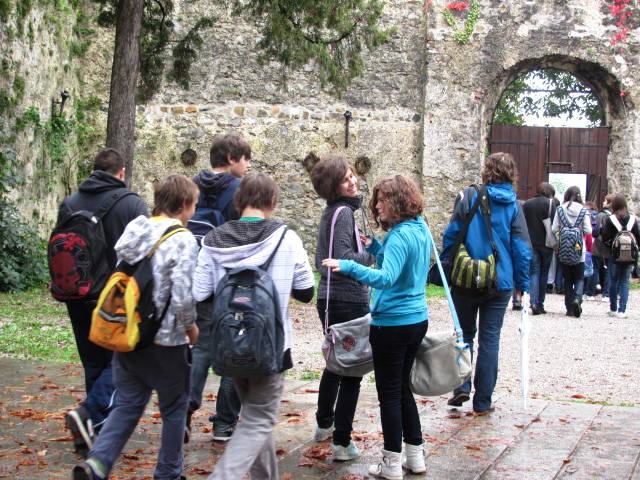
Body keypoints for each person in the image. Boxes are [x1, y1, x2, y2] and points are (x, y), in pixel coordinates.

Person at [72, 174, 200, 480]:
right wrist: (191, 329)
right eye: (194, 204)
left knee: (127, 405)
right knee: (174, 409)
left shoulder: (136, 228)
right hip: (166, 341)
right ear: (184, 204)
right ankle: (168, 472)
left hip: (128, 332)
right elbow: (182, 295)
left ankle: (97, 462)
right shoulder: (183, 239)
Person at [193, 173, 314, 480]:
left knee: (253, 416)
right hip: (272, 345)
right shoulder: (286, 238)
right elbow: (305, 290)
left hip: (230, 344)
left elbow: (200, 293)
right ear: (272, 202)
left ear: (239, 201)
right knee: (259, 420)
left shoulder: (213, 241)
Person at [323, 175, 430, 479]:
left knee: (390, 395)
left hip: (392, 325)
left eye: (383, 200)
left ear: (397, 201)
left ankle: (391, 463)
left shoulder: (400, 236)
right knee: (402, 388)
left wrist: (349, 266)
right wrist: (378, 248)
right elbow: (405, 268)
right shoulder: (420, 228)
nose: (378, 205)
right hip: (417, 320)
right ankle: (415, 456)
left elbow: (386, 279)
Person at [58, 148, 148, 457]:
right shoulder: (132, 204)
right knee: (120, 363)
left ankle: (92, 426)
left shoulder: (70, 203)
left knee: (92, 361)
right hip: (114, 296)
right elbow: (144, 252)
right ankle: (90, 413)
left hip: (78, 292)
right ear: (121, 172)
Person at [443, 152, 531, 414]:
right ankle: (483, 401)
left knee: (464, 334)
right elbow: (521, 248)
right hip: (499, 280)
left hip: (466, 275)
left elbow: (451, 234)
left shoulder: (469, 196)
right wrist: (522, 283)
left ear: (487, 170)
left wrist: (448, 265)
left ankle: (461, 385)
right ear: (512, 174)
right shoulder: (514, 206)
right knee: (490, 339)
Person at [187, 133, 252, 443]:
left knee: (200, 347)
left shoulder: (193, 186)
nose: (248, 165)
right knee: (234, 351)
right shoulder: (240, 191)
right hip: (230, 282)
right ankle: (224, 423)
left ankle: (182, 412)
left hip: (200, 278)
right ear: (231, 158)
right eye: (246, 159)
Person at [310, 155, 374, 461]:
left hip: (329, 298)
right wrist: (370, 254)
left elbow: (320, 259)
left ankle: (325, 424)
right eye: (345, 179)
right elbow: (343, 260)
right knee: (352, 371)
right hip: (348, 299)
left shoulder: (331, 213)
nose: (353, 182)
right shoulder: (344, 213)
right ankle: (342, 442)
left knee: (336, 364)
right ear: (333, 186)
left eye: (352, 176)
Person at [552, 186, 592, 318]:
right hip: (579, 250)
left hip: (564, 249)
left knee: (568, 279)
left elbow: (554, 228)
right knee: (579, 277)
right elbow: (588, 230)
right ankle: (577, 299)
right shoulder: (583, 210)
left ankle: (569, 308)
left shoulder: (560, 209)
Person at [600, 193, 639, 319]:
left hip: (615, 256)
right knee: (624, 282)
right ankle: (622, 310)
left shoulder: (611, 219)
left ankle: (613, 308)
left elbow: (604, 238)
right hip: (629, 257)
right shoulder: (633, 219)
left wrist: (611, 247)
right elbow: (638, 238)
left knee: (613, 281)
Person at [522, 182, 557, 315]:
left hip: (531, 242)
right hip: (547, 243)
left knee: (534, 272)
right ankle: (540, 303)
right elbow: (554, 224)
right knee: (544, 273)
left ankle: (534, 302)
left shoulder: (527, 204)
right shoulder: (550, 203)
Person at [593, 194, 615, 302]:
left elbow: (595, 232)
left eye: (605, 201)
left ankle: (592, 291)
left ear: (609, 203)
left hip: (599, 245)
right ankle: (606, 293)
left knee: (595, 269)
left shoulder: (601, 215)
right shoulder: (615, 216)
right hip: (611, 246)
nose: (603, 202)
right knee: (608, 271)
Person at [583, 201, 600, 300]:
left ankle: (586, 291)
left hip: (585, 242)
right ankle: (591, 290)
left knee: (585, 268)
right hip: (595, 244)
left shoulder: (586, 215)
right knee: (592, 269)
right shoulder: (597, 216)